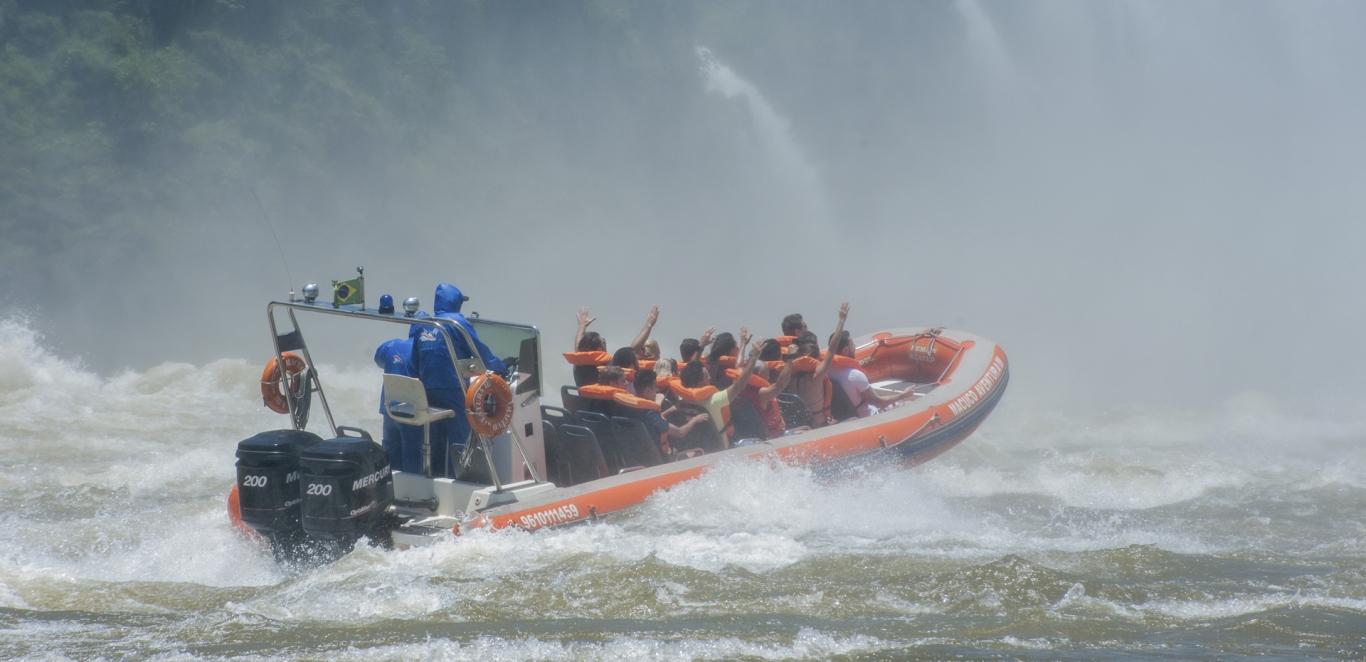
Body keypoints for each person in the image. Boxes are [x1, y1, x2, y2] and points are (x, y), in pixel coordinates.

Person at [411, 283, 507, 479]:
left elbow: (414, 363)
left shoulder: (426, 324)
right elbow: (480, 352)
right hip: (454, 389)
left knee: (435, 438)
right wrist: (501, 366)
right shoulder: (458, 323)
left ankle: (434, 481)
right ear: (455, 302)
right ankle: (461, 481)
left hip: (427, 390)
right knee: (460, 439)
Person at [826, 305, 915, 419]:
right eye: (852, 344)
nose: (855, 346)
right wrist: (903, 395)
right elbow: (878, 402)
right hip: (870, 416)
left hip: (847, 415)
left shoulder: (828, 370)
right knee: (909, 404)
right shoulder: (855, 375)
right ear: (845, 350)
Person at [785, 303, 849, 426]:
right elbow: (832, 348)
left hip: (801, 426)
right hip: (820, 426)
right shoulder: (817, 375)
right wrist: (841, 320)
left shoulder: (788, 376)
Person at [627, 369, 711, 456]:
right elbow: (680, 432)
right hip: (663, 461)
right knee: (698, 452)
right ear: (647, 390)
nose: (658, 389)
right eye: (656, 386)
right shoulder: (651, 415)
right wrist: (695, 419)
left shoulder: (634, 409)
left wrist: (671, 409)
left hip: (647, 457)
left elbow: (655, 421)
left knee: (676, 449)